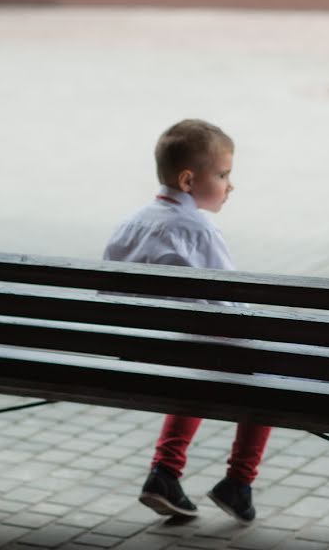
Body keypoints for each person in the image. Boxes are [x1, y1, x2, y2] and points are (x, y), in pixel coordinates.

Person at [103, 118, 270, 524]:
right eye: (223, 174)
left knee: (200, 359)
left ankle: (165, 472)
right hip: (183, 357)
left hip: (128, 359)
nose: (231, 185)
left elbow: (108, 295)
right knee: (264, 371)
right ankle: (239, 482)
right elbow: (231, 301)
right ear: (188, 180)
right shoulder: (198, 229)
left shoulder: (129, 223)